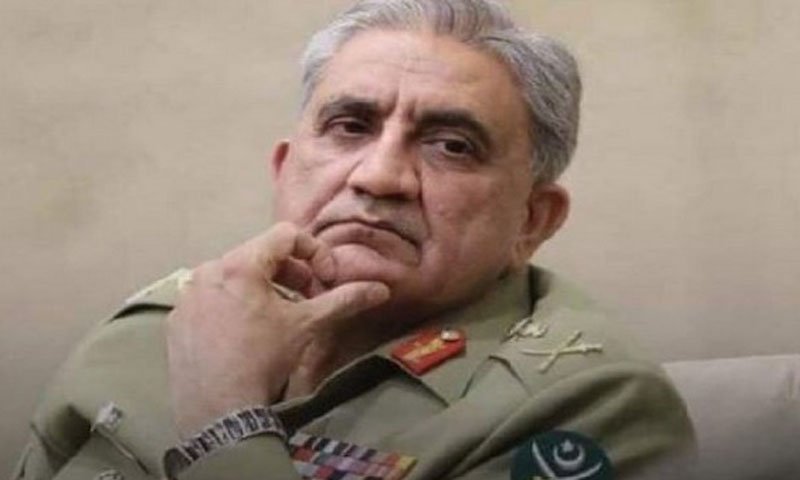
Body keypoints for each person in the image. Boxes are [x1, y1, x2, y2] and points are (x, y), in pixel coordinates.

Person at [11, 1, 694, 479]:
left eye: (452, 145)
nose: (379, 176)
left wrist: (225, 416)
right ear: (284, 169)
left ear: (532, 222)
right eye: (350, 126)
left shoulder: (590, 406)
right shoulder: (154, 330)